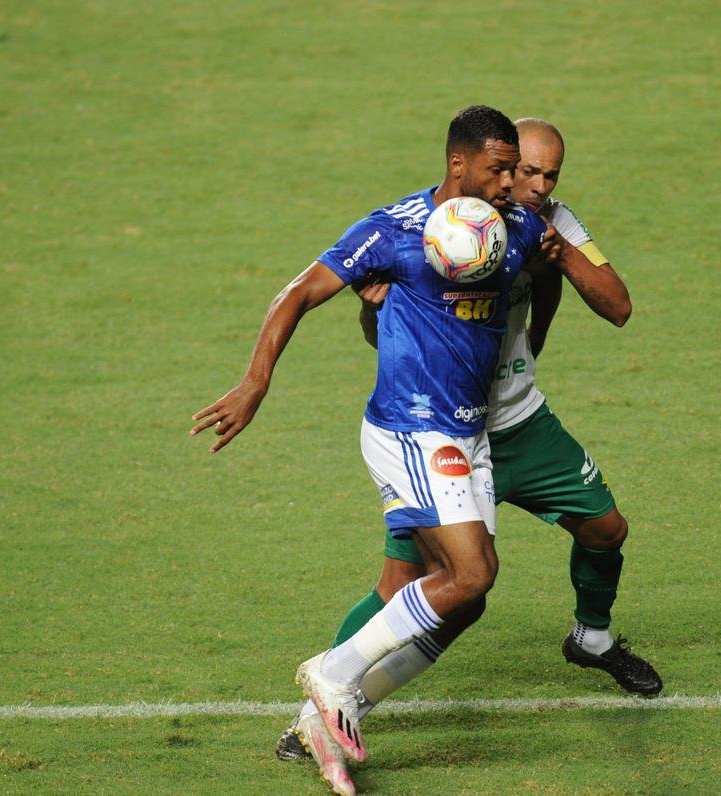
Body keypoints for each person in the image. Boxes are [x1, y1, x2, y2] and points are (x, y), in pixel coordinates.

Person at [274, 118, 662, 790]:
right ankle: (315, 707)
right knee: (413, 586)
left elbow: (618, 305)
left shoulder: (553, 224)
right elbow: (391, 330)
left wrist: (555, 253)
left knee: (603, 528)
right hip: (443, 434)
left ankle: (591, 639)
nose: (534, 187)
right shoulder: (441, 226)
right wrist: (375, 310)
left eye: (548, 177)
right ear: (489, 165)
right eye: (523, 173)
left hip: (520, 425)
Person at [191, 105, 557, 794]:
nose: (514, 182)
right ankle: (332, 676)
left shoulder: (516, 233)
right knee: (471, 574)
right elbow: (298, 293)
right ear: (458, 165)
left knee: (464, 600)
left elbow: (559, 277)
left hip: (469, 431)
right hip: (411, 428)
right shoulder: (395, 233)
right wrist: (255, 383)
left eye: (516, 169)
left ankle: (328, 713)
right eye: (500, 168)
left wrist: (538, 329)